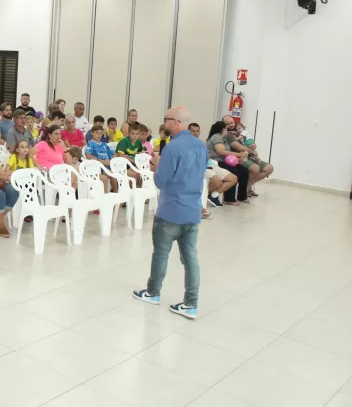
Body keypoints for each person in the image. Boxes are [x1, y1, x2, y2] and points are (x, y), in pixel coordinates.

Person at [133, 107, 206, 319]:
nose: (164, 123)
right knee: (190, 257)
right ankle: (191, 303)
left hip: (171, 209)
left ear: (175, 122)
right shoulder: (200, 146)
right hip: (192, 209)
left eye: (166, 119)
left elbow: (160, 181)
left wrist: (157, 165)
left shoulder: (172, 148)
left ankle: (153, 292)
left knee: (161, 253)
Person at [221, 115, 274, 197]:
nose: (231, 125)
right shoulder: (228, 135)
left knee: (269, 168)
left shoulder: (239, 131)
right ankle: (246, 188)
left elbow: (247, 143)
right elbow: (239, 147)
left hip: (248, 155)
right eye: (228, 124)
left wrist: (252, 149)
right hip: (237, 157)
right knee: (255, 168)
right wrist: (252, 151)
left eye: (232, 122)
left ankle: (248, 185)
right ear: (224, 125)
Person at [207, 121, 249, 205]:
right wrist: (238, 154)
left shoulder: (223, 138)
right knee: (235, 172)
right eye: (226, 128)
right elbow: (221, 151)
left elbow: (227, 154)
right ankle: (229, 198)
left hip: (224, 161)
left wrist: (237, 159)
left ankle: (241, 196)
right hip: (216, 162)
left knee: (244, 171)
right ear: (223, 129)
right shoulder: (216, 137)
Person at [84, 124, 118, 192]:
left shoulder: (104, 144)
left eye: (101, 133)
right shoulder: (91, 144)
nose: (99, 135)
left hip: (107, 166)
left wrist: (111, 160)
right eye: (97, 133)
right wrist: (102, 161)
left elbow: (114, 153)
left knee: (117, 174)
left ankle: (115, 193)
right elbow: (88, 155)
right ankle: (107, 195)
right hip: (98, 168)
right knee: (113, 175)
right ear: (92, 133)